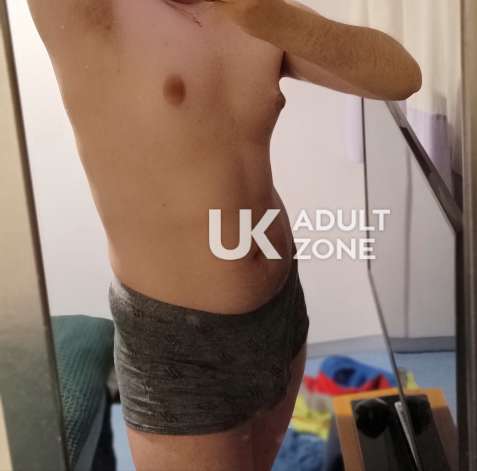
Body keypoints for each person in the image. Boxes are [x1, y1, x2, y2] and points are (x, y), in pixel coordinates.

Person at [26, 0, 422, 469]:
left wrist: (271, 18)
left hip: (281, 314)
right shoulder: (96, 18)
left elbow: (401, 77)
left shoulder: (254, 11)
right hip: (178, 347)